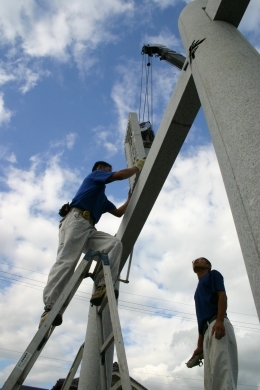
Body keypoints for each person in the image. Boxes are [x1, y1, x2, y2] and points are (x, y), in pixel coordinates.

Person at [39, 159, 145, 327]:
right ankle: (50, 308)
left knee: (114, 245)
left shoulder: (100, 196)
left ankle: (102, 286)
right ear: (100, 169)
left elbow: (117, 213)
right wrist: (137, 167)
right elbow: (119, 175)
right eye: (107, 171)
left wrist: (129, 199)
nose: (108, 174)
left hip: (88, 228)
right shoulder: (95, 176)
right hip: (76, 220)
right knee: (67, 261)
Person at [188, 257, 238, 390]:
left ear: (208, 265)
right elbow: (201, 320)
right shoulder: (197, 292)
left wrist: (220, 320)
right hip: (206, 331)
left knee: (223, 372)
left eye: (199, 259)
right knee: (210, 380)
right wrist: (199, 346)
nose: (195, 261)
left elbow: (222, 296)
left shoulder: (213, 275)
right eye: (194, 260)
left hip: (218, 323)